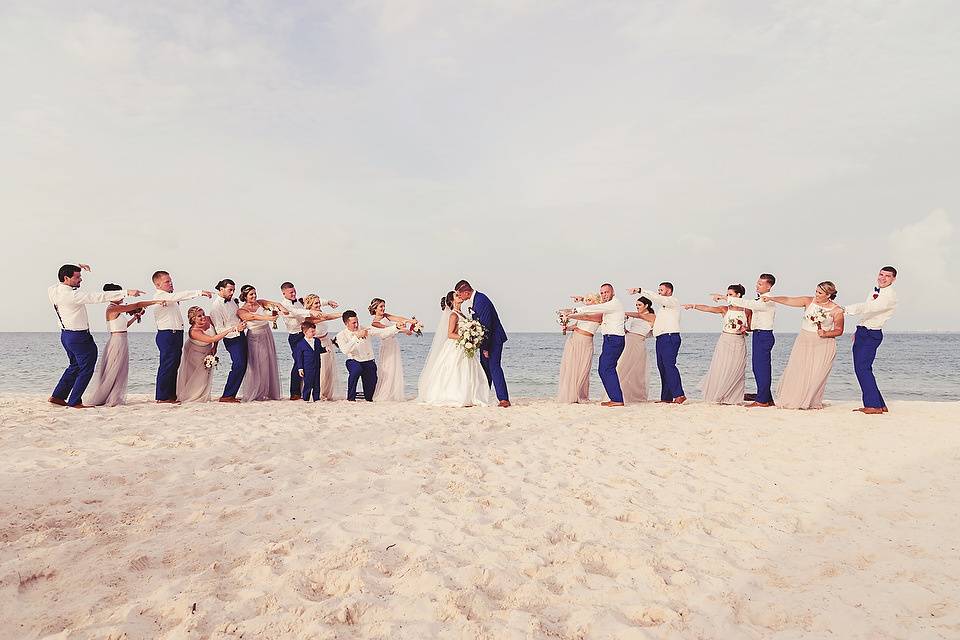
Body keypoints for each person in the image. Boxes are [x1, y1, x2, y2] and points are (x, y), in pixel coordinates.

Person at [48, 264, 144, 407]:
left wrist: (76, 265)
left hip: (66, 336)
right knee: (86, 367)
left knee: (74, 366)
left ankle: (58, 396)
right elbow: (97, 297)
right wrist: (126, 292)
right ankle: (74, 401)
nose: (80, 280)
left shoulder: (53, 290)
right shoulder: (73, 295)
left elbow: (59, 281)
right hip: (79, 337)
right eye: (77, 277)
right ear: (66, 278)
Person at [765, 281, 845, 409]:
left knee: (816, 374)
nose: (816, 295)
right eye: (816, 291)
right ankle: (794, 399)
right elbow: (788, 300)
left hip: (823, 343)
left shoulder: (837, 310)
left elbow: (839, 330)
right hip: (804, 340)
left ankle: (810, 400)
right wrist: (771, 298)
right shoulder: (808, 301)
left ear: (828, 295)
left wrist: (825, 333)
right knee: (798, 370)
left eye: (820, 293)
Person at [88, 285, 166, 407]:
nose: (122, 296)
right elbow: (136, 305)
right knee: (113, 369)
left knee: (120, 369)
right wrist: (155, 301)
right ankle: (109, 397)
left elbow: (123, 326)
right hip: (117, 341)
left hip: (122, 339)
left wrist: (135, 318)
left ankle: (114, 395)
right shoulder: (112, 309)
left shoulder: (116, 309)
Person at [416, 291, 490, 407]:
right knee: (456, 370)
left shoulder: (463, 314)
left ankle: (470, 395)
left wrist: (471, 335)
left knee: (468, 370)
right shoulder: (453, 315)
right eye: (456, 295)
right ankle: (456, 395)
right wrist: (466, 338)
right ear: (452, 300)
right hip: (456, 346)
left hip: (463, 346)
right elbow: (450, 334)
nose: (459, 296)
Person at [843, 266, 898, 414]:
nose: (883, 278)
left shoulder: (889, 296)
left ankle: (873, 406)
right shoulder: (875, 290)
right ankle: (879, 404)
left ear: (893, 279)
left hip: (871, 334)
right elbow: (868, 313)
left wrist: (845, 310)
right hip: (863, 332)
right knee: (863, 369)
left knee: (862, 369)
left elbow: (869, 307)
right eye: (881, 274)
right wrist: (858, 329)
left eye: (887, 276)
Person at [151, 270, 212, 403]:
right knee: (167, 365)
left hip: (176, 334)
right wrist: (199, 292)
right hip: (167, 335)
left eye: (170, 280)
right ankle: (162, 397)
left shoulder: (169, 297)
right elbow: (180, 296)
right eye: (167, 281)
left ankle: (171, 395)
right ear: (157, 284)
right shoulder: (160, 296)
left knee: (174, 365)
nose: (170, 283)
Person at [716, 273, 777, 407]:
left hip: (763, 335)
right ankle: (767, 398)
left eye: (760, 284)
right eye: (757, 283)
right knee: (760, 368)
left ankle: (762, 401)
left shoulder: (768, 299)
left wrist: (725, 298)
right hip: (758, 334)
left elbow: (747, 303)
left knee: (761, 368)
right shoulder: (761, 299)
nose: (757, 286)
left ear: (769, 286)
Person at [685, 284, 752, 404]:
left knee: (736, 369)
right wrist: (693, 306)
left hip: (739, 341)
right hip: (725, 340)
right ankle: (719, 395)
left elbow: (750, 328)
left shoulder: (747, 310)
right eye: (727, 295)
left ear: (738, 295)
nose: (728, 296)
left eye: (730, 294)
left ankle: (733, 398)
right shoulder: (725, 309)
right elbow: (708, 308)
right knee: (721, 367)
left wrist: (745, 328)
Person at [566, 283, 626, 407]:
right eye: (602, 293)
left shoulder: (614, 303)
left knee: (605, 368)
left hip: (614, 340)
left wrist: (573, 310)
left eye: (606, 292)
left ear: (613, 292)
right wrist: (582, 299)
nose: (604, 295)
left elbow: (593, 309)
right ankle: (616, 398)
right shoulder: (608, 305)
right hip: (609, 340)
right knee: (605, 368)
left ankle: (617, 399)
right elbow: (597, 305)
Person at [279, 282, 339, 400]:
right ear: (283, 293)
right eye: (291, 292)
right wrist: (311, 312)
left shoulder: (299, 301)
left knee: (311, 362)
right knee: (298, 363)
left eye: (294, 291)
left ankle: (309, 392)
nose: (294, 294)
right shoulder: (284, 305)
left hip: (304, 334)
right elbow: (297, 312)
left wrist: (328, 302)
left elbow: (315, 301)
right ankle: (295, 393)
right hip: (295, 336)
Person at [455, 280, 510, 407]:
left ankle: (504, 399)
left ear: (466, 292)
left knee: (494, 367)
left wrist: (485, 348)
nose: (459, 297)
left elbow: (486, 326)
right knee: (485, 369)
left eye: (460, 294)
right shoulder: (476, 300)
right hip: (486, 340)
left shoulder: (481, 300)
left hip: (494, 339)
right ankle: (482, 396)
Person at [629, 283, 685, 404]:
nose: (659, 292)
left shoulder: (673, 301)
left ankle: (679, 395)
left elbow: (658, 298)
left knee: (669, 366)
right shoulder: (663, 309)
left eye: (661, 290)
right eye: (658, 290)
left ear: (669, 291)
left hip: (670, 337)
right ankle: (666, 397)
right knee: (662, 368)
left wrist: (640, 290)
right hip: (660, 339)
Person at [177, 307, 246, 403]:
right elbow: (212, 339)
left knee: (205, 374)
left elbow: (216, 333)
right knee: (195, 375)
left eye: (203, 314)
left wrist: (215, 347)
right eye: (199, 316)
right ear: (193, 319)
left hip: (207, 350)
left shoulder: (209, 319)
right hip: (194, 353)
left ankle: (203, 395)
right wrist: (233, 329)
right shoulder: (194, 331)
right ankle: (191, 396)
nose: (203, 317)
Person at [335, 310, 402, 401]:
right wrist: (356, 337)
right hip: (353, 361)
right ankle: (351, 398)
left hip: (369, 362)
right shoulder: (341, 335)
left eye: (357, 322)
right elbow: (345, 350)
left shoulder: (365, 329)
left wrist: (396, 327)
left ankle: (365, 395)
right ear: (346, 323)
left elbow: (382, 332)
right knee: (356, 370)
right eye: (353, 323)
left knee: (370, 395)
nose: (356, 325)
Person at [237, 284, 287, 401]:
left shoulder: (260, 302)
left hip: (267, 333)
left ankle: (268, 391)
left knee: (269, 361)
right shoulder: (241, 310)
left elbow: (276, 304)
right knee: (258, 363)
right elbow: (252, 316)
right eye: (251, 294)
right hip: (255, 336)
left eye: (255, 293)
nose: (254, 296)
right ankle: (257, 391)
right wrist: (268, 318)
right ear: (245, 296)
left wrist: (283, 310)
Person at [369, 297, 415, 402]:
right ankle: (385, 394)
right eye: (381, 306)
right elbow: (388, 330)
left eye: (384, 306)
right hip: (386, 345)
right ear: (375, 308)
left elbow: (398, 318)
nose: (383, 308)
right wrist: (404, 330)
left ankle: (393, 393)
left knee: (395, 368)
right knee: (387, 369)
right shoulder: (375, 323)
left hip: (394, 344)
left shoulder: (385, 315)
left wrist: (410, 321)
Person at [556, 298, 602, 404]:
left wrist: (569, 314)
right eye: (585, 300)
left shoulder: (598, 314)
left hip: (586, 341)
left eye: (589, 300)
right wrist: (566, 327)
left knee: (583, 368)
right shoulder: (584, 313)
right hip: (574, 339)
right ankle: (571, 395)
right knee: (572, 367)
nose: (586, 302)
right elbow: (576, 326)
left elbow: (587, 317)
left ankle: (580, 394)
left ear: (596, 302)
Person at [209, 279, 246, 403]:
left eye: (233, 290)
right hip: (231, 339)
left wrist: (241, 324)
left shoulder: (233, 302)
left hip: (241, 335)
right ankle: (227, 396)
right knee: (239, 364)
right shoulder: (216, 307)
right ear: (221, 289)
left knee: (243, 365)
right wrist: (236, 328)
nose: (232, 292)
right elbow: (219, 330)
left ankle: (232, 394)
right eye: (230, 290)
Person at [303, 294, 344, 400]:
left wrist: (329, 301)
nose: (318, 304)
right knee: (321, 369)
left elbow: (324, 307)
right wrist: (343, 314)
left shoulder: (320, 311)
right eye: (316, 303)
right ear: (310, 305)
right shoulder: (309, 317)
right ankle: (319, 394)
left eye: (319, 302)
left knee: (329, 369)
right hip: (318, 343)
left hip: (327, 341)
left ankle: (326, 393)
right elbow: (327, 317)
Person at [618, 297, 656, 403]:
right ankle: (620, 393)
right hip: (628, 339)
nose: (637, 307)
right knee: (623, 366)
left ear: (646, 306)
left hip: (638, 342)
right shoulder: (636, 316)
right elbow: (630, 329)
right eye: (636, 305)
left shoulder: (651, 316)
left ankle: (636, 395)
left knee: (637, 370)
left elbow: (641, 317)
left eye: (639, 305)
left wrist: (623, 313)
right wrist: (624, 325)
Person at [293, 320, 326, 402]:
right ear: (305, 332)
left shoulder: (317, 341)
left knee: (317, 383)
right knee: (308, 383)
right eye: (312, 331)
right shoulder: (300, 344)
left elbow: (319, 350)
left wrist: (325, 349)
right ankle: (306, 398)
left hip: (317, 365)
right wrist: (300, 368)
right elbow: (299, 357)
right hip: (307, 367)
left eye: (314, 331)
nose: (314, 333)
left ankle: (316, 398)